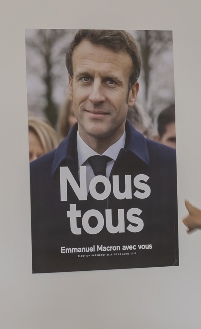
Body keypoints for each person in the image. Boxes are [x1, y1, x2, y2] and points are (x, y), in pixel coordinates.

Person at [29, 29, 178, 273]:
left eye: (110, 81)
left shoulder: (172, 173)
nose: (96, 96)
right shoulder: (34, 181)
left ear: (132, 93)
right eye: (85, 79)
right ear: (70, 86)